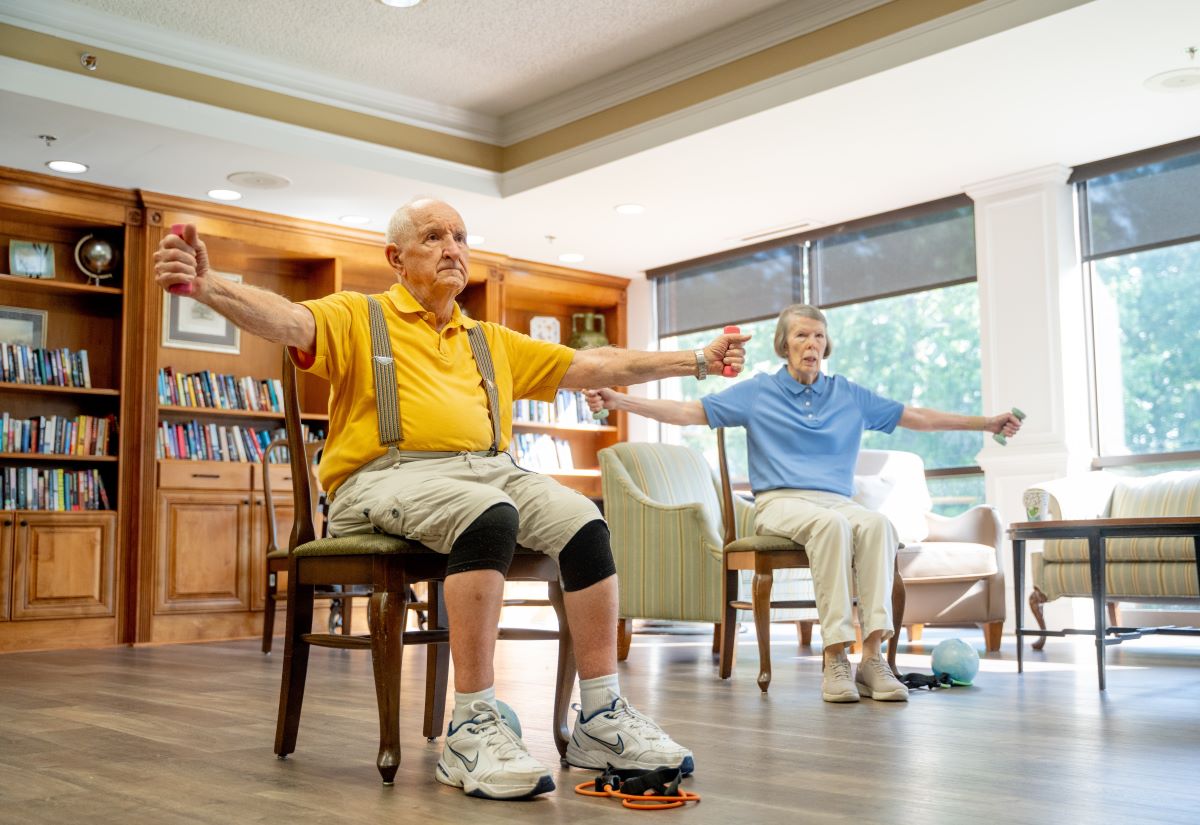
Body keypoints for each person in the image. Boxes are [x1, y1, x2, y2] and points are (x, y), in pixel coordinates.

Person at [152, 198, 748, 801]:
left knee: (584, 521)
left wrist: (694, 358)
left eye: (459, 237)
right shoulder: (359, 316)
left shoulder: (487, 339)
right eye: (433, 236)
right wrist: (209, 286)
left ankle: (600, 718)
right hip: (385, 476)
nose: (452, 248)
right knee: (491, 516)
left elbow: (594, 362)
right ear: (396, 257)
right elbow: (287, 320)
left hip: (490, 470)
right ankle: (472, 724)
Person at [585, 304, 1021, 705]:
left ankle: (871, 658)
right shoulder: (758, 392)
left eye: (817, 337)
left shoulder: (848, 394)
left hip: (834, 500)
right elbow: (686, 412)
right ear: (783, 346)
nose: (811, 344)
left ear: (826, 345)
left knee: (877, 526)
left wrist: (986, 423)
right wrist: (620, 399)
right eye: (800, 337)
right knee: (830, 527)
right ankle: (835, 657)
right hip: (780, 501)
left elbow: (919, 418)